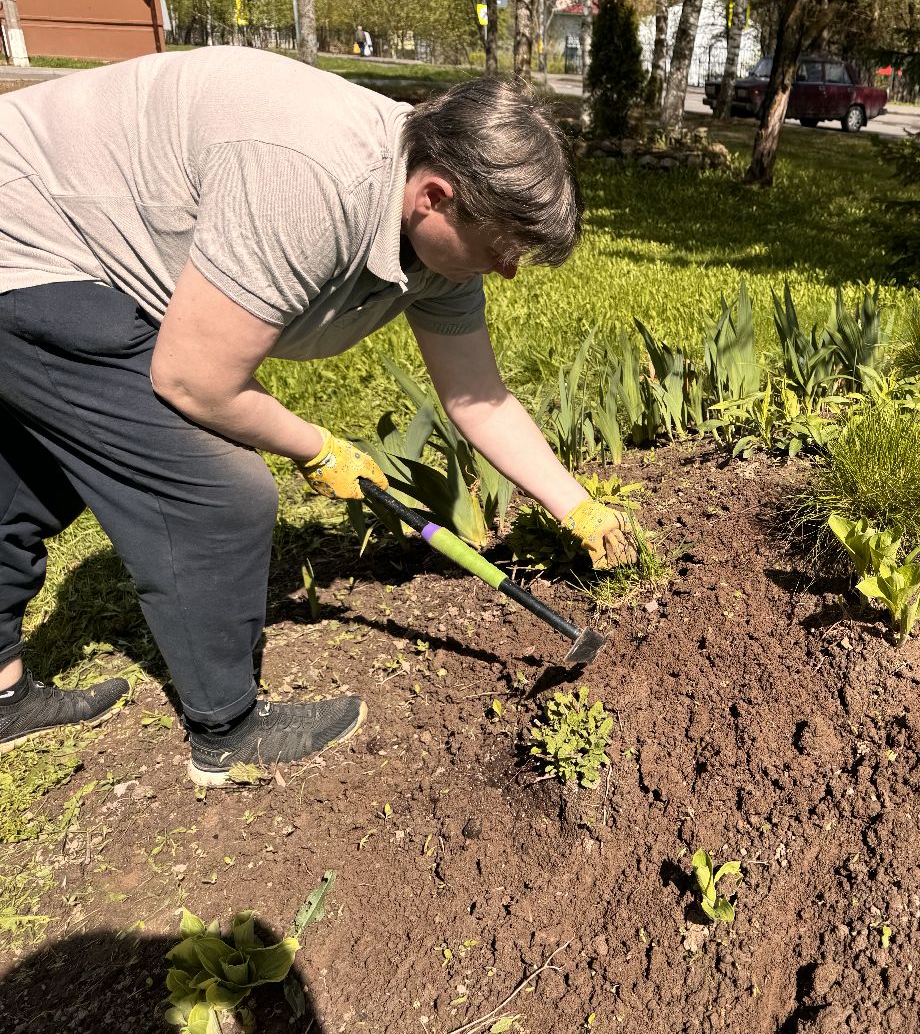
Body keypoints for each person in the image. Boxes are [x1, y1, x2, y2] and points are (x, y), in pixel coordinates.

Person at [0, 46, 638, 785]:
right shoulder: (312, 183)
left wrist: (577, 506)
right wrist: (316, 446)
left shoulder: (437, 246)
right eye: (500, 248)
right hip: (30, 233)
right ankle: (227, 730)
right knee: (217, 492)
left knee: (31, 466)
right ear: (435, 196)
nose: (507, 271)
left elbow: (477, 397)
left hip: (73, 228)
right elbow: (194, 380)